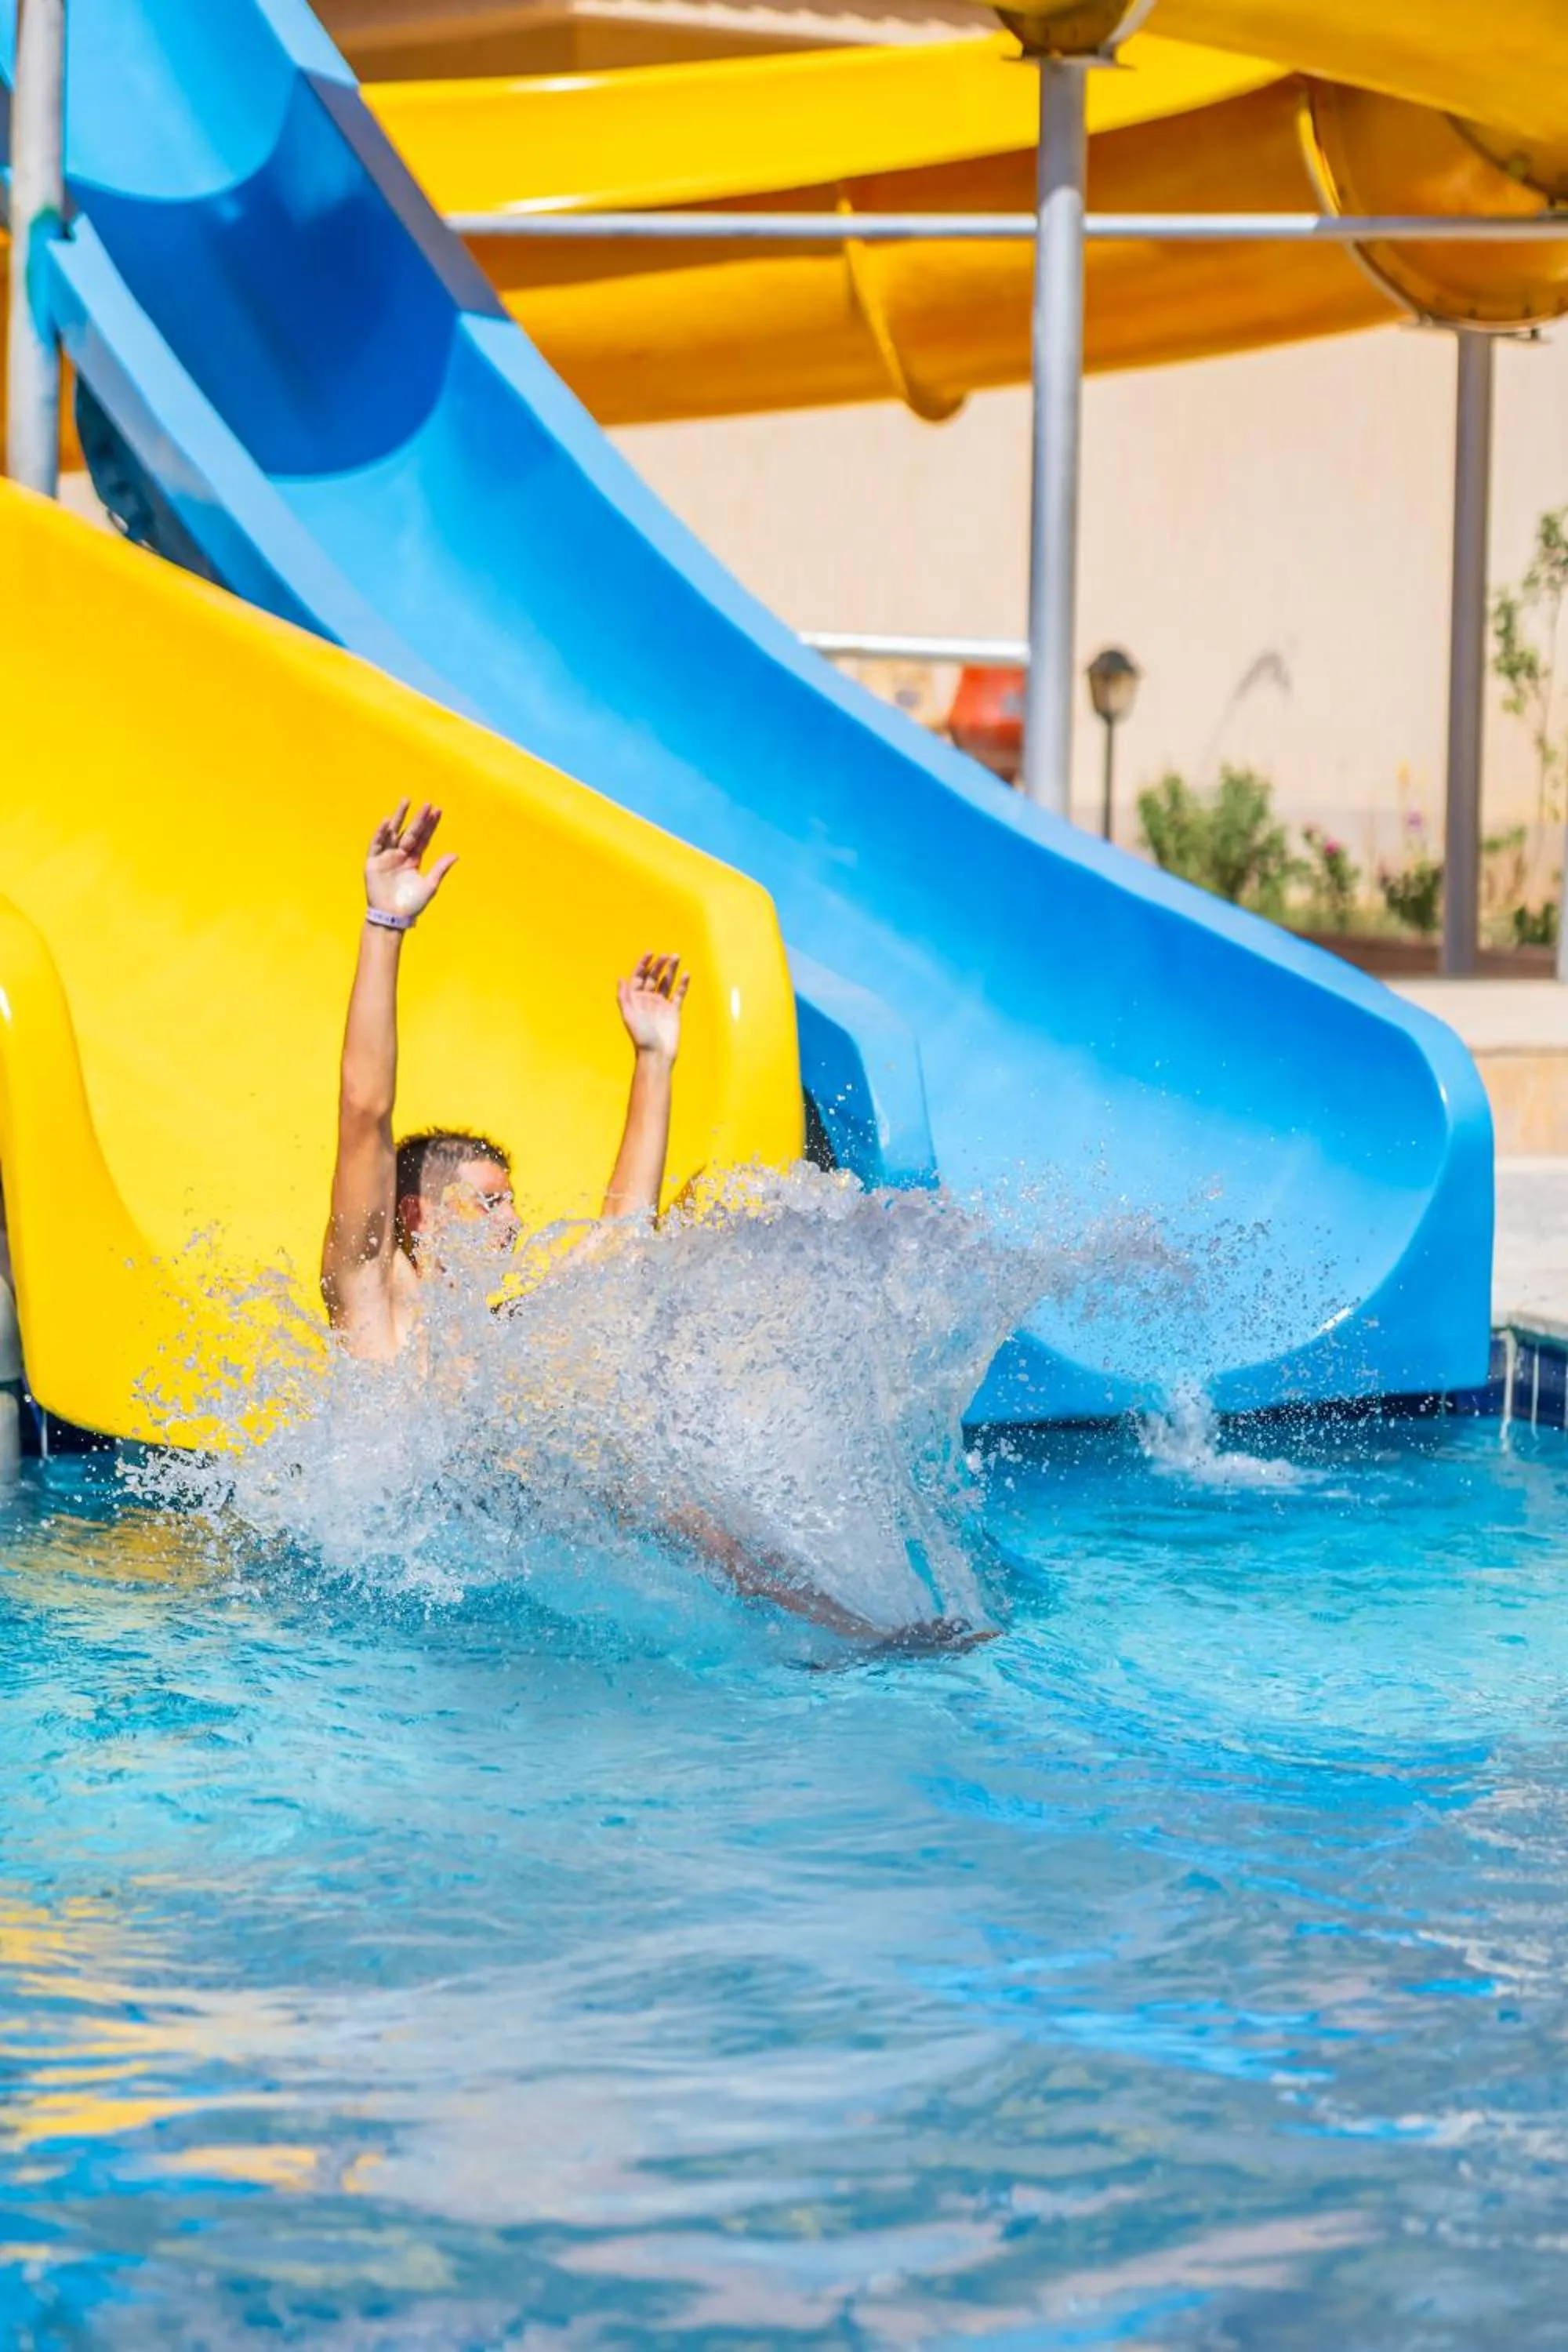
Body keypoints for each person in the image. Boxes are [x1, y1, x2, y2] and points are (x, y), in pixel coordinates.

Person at [321, 800, 688, 1362]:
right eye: (492, 1204)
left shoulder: (504, 1336)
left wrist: (654, 1060)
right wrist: (387, 924)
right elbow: (363, 1109)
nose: (516, 1222)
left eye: (512, 1203)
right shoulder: (376, 1308)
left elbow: (622, 1245)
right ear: (420, 1215)